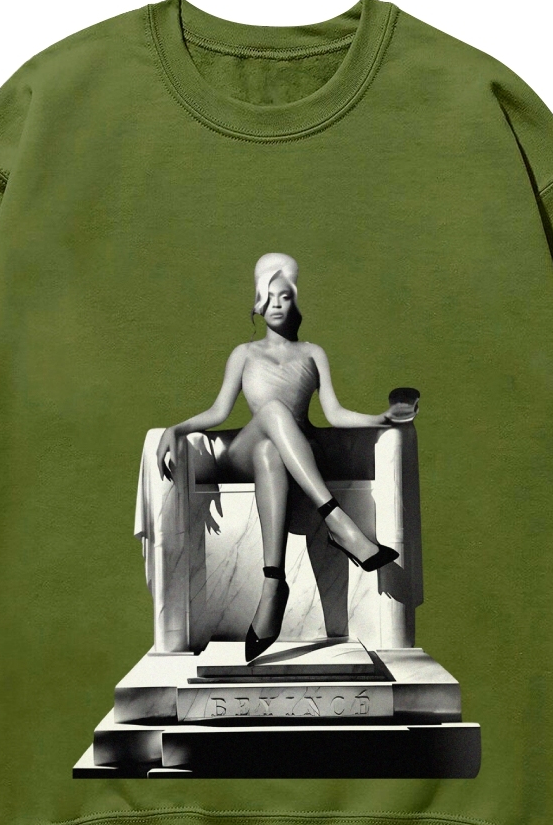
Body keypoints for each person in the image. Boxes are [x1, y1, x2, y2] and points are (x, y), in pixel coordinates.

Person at [156, 252, 399, 662]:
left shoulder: (313, 353)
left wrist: (379, 419)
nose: (276, 304)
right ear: (256, 302)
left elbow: (334, 413)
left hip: (294, 452)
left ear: (296, 300)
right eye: (268, 297)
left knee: (272, 449)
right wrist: (177, 428)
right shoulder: (244, 353)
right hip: (242, 452)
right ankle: (338, 522)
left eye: (284, 296)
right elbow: (218, 412)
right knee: (270, 415)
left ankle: (273, 584)